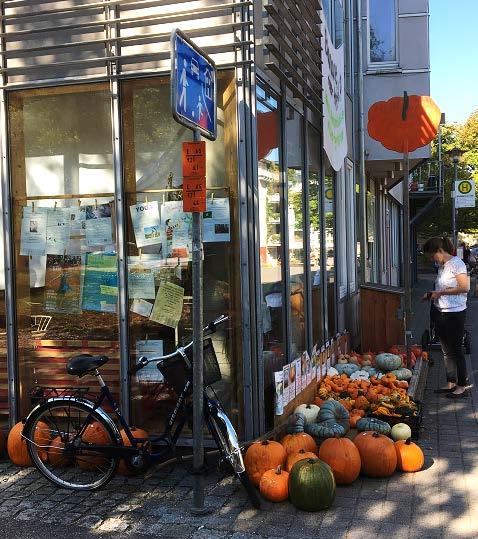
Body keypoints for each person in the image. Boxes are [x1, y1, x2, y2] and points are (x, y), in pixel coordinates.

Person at [422, 236, 470, 398]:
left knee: (456, 350)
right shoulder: (442, 266)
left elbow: (464, 287)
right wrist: (431, 295)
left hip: (454, 314)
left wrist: (440, 293)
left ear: (440, 251)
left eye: (431, 255)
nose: (431, 259)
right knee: (446, 350)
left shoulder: (457, 264)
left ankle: (461, 385)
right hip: (440, 312)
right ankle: (451, 382)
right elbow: (443, 287)